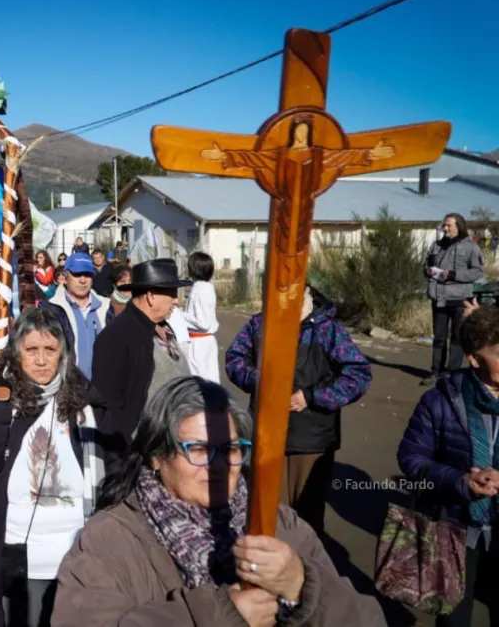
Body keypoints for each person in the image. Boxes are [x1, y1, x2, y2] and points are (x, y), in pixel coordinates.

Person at [51, 376, 387, 627]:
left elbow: (367, 621)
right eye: (197, 449)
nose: (219, 465)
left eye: (231, 449)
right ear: (156, 456)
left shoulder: (281, 526)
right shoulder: (110, 540)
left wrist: (302, 588)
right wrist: (218, 615)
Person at [0, 307, 111, 627]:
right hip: (14, 563)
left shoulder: (84, 404)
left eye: (50, 350)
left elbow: (109, 478)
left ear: (63, 353)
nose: (41, 360)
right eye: (31, 350)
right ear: (15, 351)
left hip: (76, 564)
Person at [225, 285, 371, 536]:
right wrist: (260, 381)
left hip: (312, 441)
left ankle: (307, 573)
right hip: (267, 435)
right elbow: (234, 358)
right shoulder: (260, 324)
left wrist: (311, 397)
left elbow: (358, 375)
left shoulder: (327, 330)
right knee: (265, 517)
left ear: (306, 293)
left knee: (306, 521)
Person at [397, 305, 499, 627]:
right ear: (473, 357)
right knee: (453, 620)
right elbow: (412, 458)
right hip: (455, 531)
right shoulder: (440, 400)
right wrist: (459, 482)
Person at [92, 258, 191, 448]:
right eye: (172, 293)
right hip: (141, 451)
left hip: (174, 442)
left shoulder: (163, 327)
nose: (176, 300)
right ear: (151, 296)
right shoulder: (116, 338)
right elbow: (109, 410)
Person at [422, 213, 485, 385]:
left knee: (456, 338)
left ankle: (451, 374)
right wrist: (428, 271)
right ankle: (435, 371)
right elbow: (425, 264)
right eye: (444, 225)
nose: (445, 228)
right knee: (439, 338)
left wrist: (454, 275)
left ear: (459, 226)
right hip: (439, 298)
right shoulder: (437, 245)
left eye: (449, 225)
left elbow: (477, 272)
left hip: (459, 300)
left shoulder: (471, 247)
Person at [44, 253, 113, 380]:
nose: (83, 280)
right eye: (77, 274)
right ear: (65, 278)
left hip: (103, 390)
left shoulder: (107, 307)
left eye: (87, 274)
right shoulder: (51, 310)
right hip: (68, 389)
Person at [181, 251, 221, 382]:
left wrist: (179, 315)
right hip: (206, 342)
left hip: (199, 343)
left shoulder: (200, 290)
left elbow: (203, 323)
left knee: (198, 383)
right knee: (210, 381)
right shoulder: (208, 286)